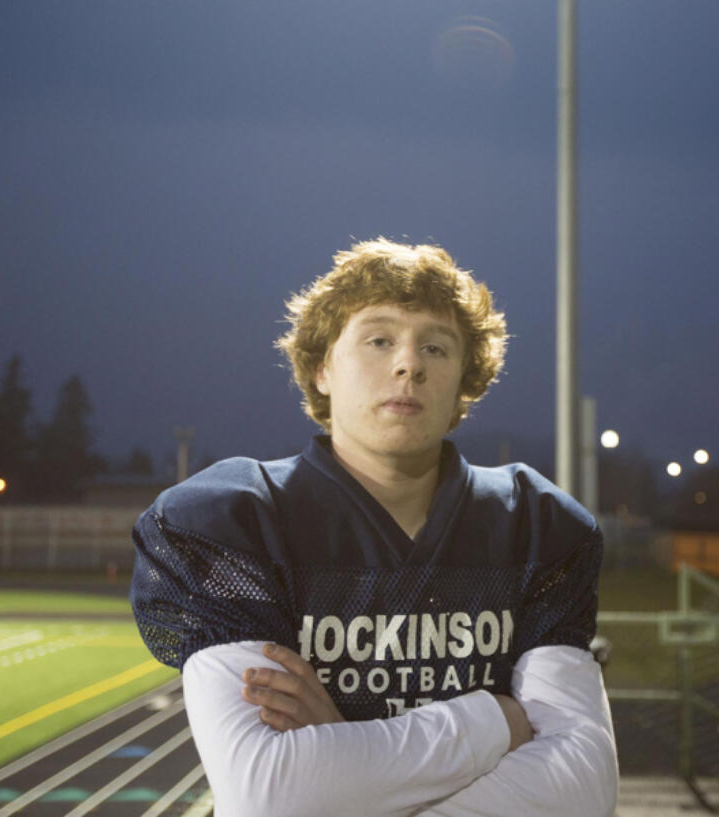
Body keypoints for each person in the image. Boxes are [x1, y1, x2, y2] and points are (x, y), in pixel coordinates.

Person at [130, 237, 618, 817]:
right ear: (322, 369)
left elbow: (583, 791)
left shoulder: (532, 524)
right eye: (379, 339)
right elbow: (270, 793)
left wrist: (342, 759)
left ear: (465, 384)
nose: (408, 363)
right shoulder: (237, 522)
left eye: (435, 347)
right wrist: (497, 721)